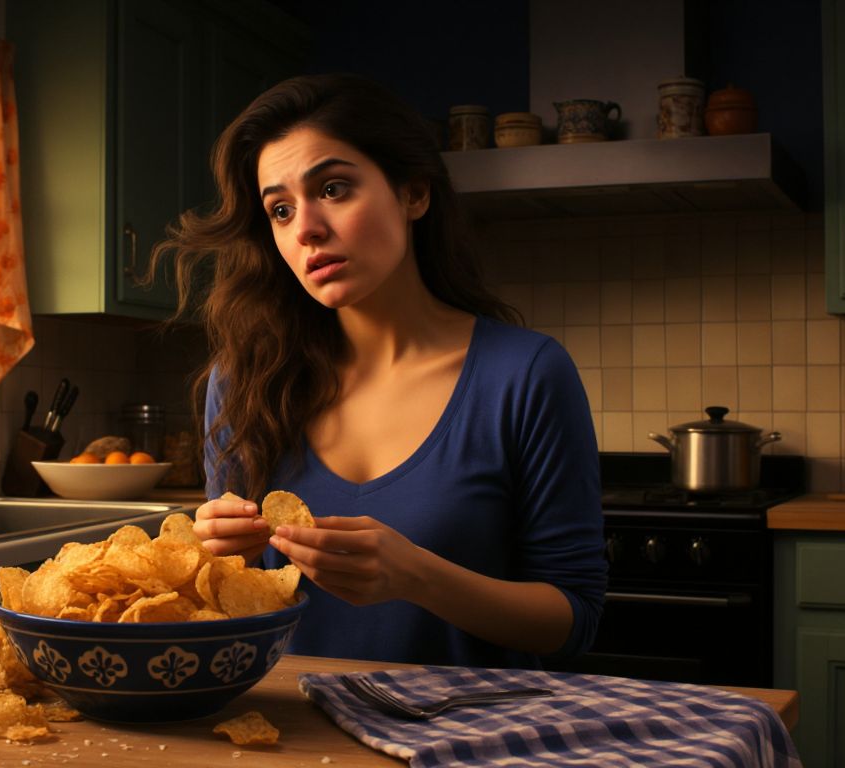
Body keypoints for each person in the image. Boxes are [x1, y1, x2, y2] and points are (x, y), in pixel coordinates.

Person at [151, 73, 605, 669]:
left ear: (414, 194)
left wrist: (418, 576)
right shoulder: (243, 383)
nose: (305, 228)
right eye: (280, 210)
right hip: (294, 748)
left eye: (334, 188)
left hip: (468, 747)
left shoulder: (525, 375)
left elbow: (573, 621)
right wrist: (209, 556)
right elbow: (230, 607)